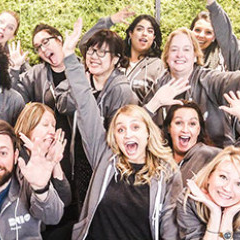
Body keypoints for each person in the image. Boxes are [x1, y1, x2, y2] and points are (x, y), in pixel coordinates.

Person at [62, 19, 181, 239]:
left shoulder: (167, 172)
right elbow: (86, 104)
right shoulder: (105, 157)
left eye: (135, 127)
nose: (127, 134)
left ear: (148, 133)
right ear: (113, 136)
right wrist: (69, 57)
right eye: (120, 129)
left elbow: (170, 228)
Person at [143, 27, 240, 146]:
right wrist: (155, 103)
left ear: (195, 56)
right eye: (174, 50)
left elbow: (231, 81)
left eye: (186, 49)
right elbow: (138, 123)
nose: (180, 54)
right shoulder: (158, 86)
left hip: (214, 159)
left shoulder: (209, 79)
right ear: (167, 56)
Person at [166, 91, 240, 182]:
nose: (185, 129)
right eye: (178, 123)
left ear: (198, 129)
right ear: (169, 128)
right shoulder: (159, 158)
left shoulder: (210, 156)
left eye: (192, 124)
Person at [177, 146, 240, 240]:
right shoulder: (189, 200)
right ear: (210, 175)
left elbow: (226, 237)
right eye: (223, 177)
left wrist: (228, 216)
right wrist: (215, 214)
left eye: (239, 184)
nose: (227, 188)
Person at [14, 103, 75, 238]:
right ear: (29, 127)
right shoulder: (16, 157)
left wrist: (55, 162)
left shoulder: (48, 156)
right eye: (45, 125)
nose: (52, 131)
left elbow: (64, 201)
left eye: (53, 125)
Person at [80, 7, 165, 101]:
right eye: (140, 29)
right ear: (130, 33)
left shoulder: (157, 65)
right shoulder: (116, 57)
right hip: (103, 113)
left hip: (138, 114)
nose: (144, 33)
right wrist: (109, 21)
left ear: (153, 37)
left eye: (150, 31)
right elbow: (85, 45)